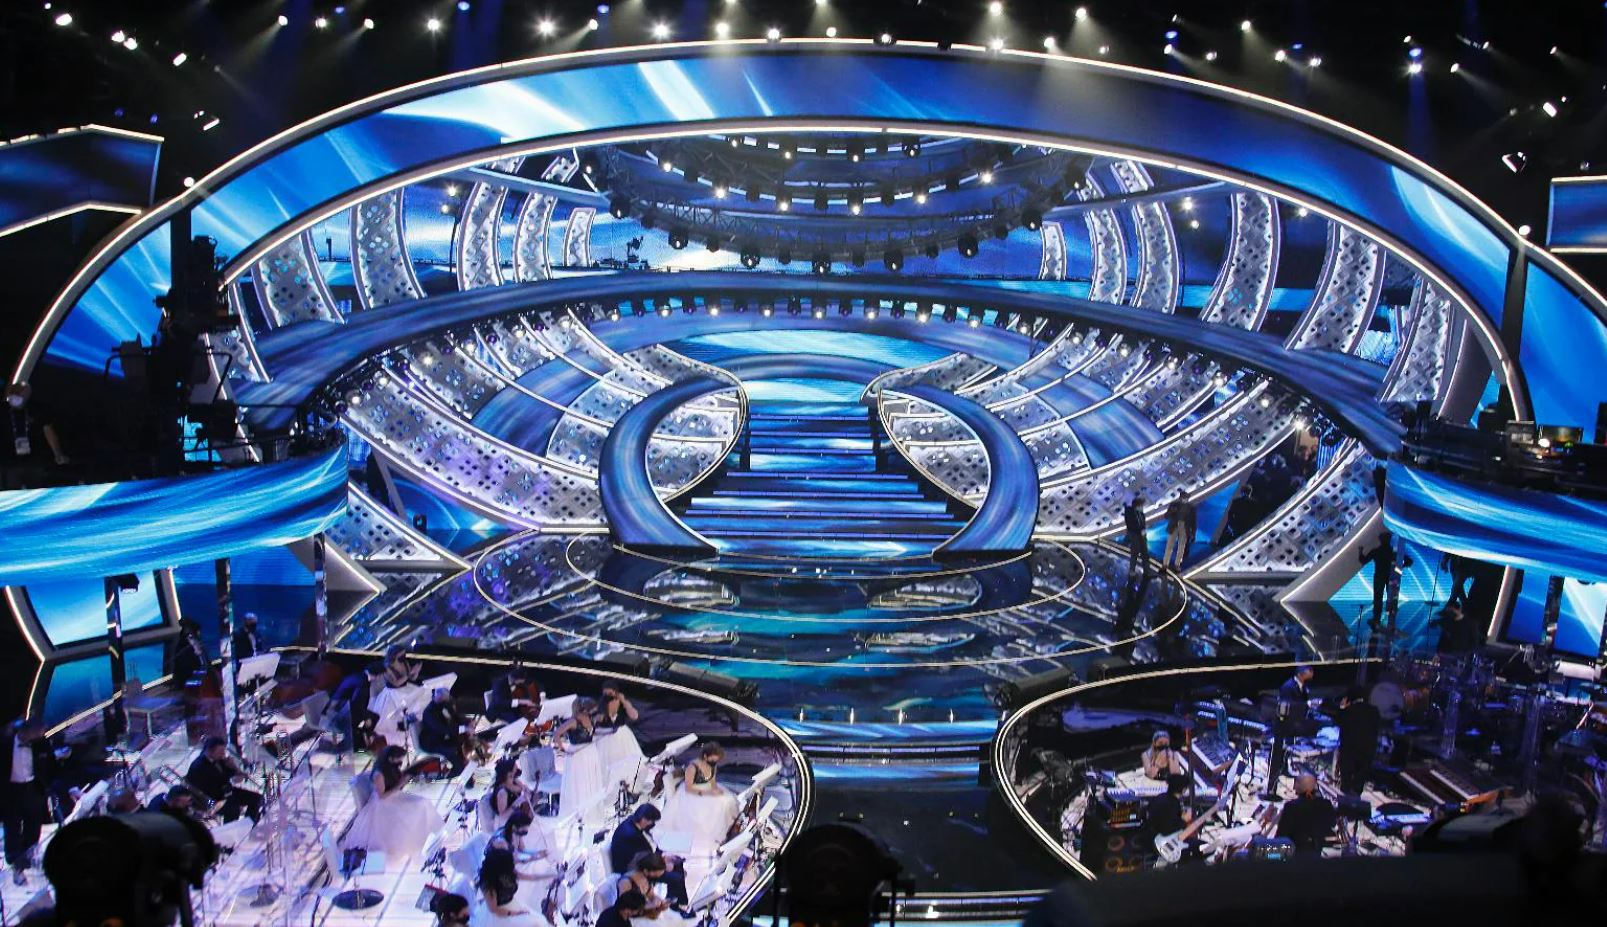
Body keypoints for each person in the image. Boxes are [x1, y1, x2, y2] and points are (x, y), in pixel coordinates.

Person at [345, 744, 446, 859]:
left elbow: (395, 782)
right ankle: (416, 841)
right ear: (391, 758)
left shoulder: (390, 767)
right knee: (417, 807)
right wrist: (399, 784)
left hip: (393, 796)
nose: (400, 761)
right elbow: (381, 796)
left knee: (423, 802)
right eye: (399, 758)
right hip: (383, 804)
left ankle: (430, 835)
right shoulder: (379, 774)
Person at [1, 719, 60, 883]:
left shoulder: (41, 743)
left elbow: (51, 765)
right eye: (39, 732)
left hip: (33, 789)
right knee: (12, 829)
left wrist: (50, 785)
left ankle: (27, 860)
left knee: (33, 828)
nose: (42, 734)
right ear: (27, 731)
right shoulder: (5, 743)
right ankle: (16, 867)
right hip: (11, 791)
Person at [661, 742, 740, 854]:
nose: (714, 762)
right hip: (693, 793)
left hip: (707, 789)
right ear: (705, 756)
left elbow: (712, 781)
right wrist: (708, 793)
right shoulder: (692, 767)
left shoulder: (713, 766)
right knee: (713, 808)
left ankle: (731, 827)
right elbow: (689, 788)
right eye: (713, 760)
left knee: (728, 799)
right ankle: (714, 836)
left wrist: (715, 790)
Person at [609, 804, 688, 906]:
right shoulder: (631, 835)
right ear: (644, 819)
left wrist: (663, 858)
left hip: (641, 861)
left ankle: (675, 899)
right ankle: (678, 903)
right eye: (652, 821)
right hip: (632, 870)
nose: (652, 824)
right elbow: (641, 860)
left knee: (677, 863)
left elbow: (645, 852)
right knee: (677, 878)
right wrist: (662, 864)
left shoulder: (632, 822)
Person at [2, 384, 68, 490]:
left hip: (34, 461)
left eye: (21, 393)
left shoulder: (37, 409)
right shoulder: (3, 410)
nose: (17, 396)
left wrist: (58, 454)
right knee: (11, 491)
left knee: (36, 489)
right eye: (14, 393)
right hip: (10, 462)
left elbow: (49, 432)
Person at [186, 736, 263, 823]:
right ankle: (232, 829)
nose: (223, 754)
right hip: (210, 799)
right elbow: (220, 780)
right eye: (220, 752)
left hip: (225, 792)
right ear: (210, 750)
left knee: (256, 798)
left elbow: (238, 776)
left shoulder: (218, 759)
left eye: (223, 751)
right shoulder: (199, 766)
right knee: (233, 809)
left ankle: (250, 824)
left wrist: (234, 766)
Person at [557, 697, 606, 818]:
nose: (593, 711)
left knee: (590, 779)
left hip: (589, 752)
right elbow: (556, 733)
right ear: (584, 709)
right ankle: (579, 813)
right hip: (578, 755)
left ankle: (589, 810)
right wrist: (562, 749)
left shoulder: (591, 718)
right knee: (579, 782)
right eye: (591, 709)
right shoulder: (573, 721)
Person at [474, 843, 543, 926]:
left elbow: (528, 875)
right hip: (499, 914)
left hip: (511, 905)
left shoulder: (506, 871)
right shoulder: (487, 881)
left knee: (537, 921)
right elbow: (494, 909)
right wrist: (516, 914)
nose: (513, 866)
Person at [1335, 687, 1381, 796]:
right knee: (1359, 781)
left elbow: (1339, 721)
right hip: (1367, 751)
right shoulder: (1374, 711)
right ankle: (1356, 800)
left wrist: (1342, 706)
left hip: (1349, 751)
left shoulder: (1348, 711)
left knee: (1346, 782)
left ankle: (1345, 801)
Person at [1276, 772, 1336, 855]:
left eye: (1296, 783)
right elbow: (1332, 824)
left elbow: (1282, 834)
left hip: (1295, 852)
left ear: (1298, 786)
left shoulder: (1291, 806)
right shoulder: (1326, 804)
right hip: (1317, 850)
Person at [595, 680, 645, 779]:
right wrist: (605, 710)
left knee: (626, 764)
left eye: (610, 693)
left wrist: (624, 701)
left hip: (622, 736)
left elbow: (634, 716)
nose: (608, 696)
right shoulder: (600, 704)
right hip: (606, 738)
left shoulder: (622, 703)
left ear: (616, 692)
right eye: (605, 693)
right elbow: (598, 721)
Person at [617, 853, 689, 922]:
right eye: (656, 875)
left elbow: (652, 896)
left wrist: (660, 901)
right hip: (628, 916)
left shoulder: (646, 879)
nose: (658, 878)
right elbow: (624, 906)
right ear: (646, 871)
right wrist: (649, 905)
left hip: (641, 912)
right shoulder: (626, 881)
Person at [328, 663, 379, 751]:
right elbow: (356, 705)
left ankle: (363, 736)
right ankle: (357, 744)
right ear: (376, 675)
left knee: (372, 716)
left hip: (337, 707)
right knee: (371, 718)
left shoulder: (357, 676)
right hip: (341, 712)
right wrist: (366, 717)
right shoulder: (363, 682)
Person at [420, 688, 471, 774]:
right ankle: (463, 773)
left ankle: (462, 766)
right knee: (451, 751)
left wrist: (468, 723)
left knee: (461, 744)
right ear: (439, 698)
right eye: (446, 700)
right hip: (431, 742)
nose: (447, 702)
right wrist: (464, 728)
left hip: (442, 738)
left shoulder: (442, 705)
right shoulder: (429, 713)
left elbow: (456, 716)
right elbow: (442, 729)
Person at [1358, 532, 1399, 629]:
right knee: (1390, 596)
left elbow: (1363, 560)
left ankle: (1376, 618)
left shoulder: (1376, 551)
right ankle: (1391, 616)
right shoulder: (1393, 552)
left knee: (1378, 597)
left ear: (1380, 540)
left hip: (1379, 576)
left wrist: (1360, 551)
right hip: (1390, 576)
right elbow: (1404, 562)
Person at [485, 758, 533, 832]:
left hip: (517, 815)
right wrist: (518, 802)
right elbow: (502, 817)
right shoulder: (502, 793)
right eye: (515, 767)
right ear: (509, 773)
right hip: (507, 825)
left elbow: (525, 789)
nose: (517, 768)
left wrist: (525, 790)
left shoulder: (513, 781)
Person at [1162, 494, 1196, 570]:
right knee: (1169, 545)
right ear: (1180, 498)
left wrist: (1193, 533)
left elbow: (1193, 521)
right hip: (1174, 526)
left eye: (1187, 498)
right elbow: (1166, 516)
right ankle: (1165, 564)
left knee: (1181, 546)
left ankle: (1177, 564)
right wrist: (1172, 511)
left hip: (1184, 527)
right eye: (1184, 498)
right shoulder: (1174, 504)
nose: (1185, 499)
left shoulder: (1191, 507)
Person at [171, 618, 209, 685]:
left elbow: (205, 661)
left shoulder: (198, 643)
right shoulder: (183, 647)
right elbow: (185, 669)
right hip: (191, 679)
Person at [1123, 494, 1149, 577]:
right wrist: (1140, 530)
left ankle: (1147, 571)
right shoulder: (1129, 513)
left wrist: (1143, 530)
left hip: (1142, 535)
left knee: (1145, 553)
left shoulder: (1141, 514)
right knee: (1135, 553)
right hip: (1134, 535)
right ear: (1137, 505)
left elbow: (1142, 523)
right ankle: (1132, 571)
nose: (1142, 507)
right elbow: (1130, 525)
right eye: (1141, 505)